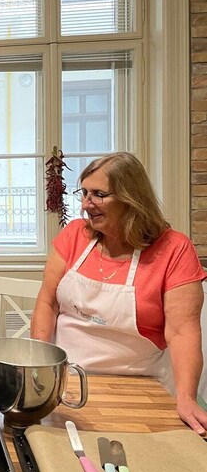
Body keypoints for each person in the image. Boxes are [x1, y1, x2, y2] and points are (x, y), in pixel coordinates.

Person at [30, 152, 207, 435]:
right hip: (66, 382)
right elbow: (47, 302)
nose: (87, 204)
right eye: (84, 193)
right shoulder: (75, 234)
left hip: (139, 386)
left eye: (99, 194)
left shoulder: (174, 249)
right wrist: (39, 364)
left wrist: (186, 397)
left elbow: (183, 332)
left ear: (131, 198)